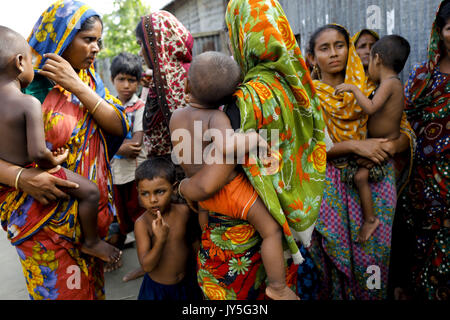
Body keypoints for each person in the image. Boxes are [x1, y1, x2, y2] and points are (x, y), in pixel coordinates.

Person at [178, 0, 327, 300]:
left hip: (238, 237)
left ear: (240, 33)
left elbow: (209, 180)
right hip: (292, 209)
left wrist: (184, 188)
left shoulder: (245, 97)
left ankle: (276, 288)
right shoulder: (297, 84)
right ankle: (279, 287)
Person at [0, 0, 129, 300]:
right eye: (88, 40)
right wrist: (21, 178)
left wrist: (77, 87)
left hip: (87, 220)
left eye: (99, 41)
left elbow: (118, 125)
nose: (96, 48)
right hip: (40, 218)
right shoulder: (24, 88)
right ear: (61, 37)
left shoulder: (91, 82)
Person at [170, 51, 299, 300]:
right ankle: (278, 287)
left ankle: (209, 251)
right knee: (271, 230)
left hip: (203, 198)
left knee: (206, 229)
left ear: (186, 84)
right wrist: (252, 138)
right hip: (229, 192)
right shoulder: (217, 117)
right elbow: (228, 147)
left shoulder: (177, 116)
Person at [306, 24, 415, 299]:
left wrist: (387, 146)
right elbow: (306, 148)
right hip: (329, 184)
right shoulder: (306, 97)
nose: (333, 54)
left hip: (375, 180)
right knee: (333, 258)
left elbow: (406, 133)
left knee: (374, 257)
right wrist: (356, 145)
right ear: (312, 57)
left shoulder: (372, 88)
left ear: (349, 49)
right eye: (324, 48)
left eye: (339, 46)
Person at [390, 0, 449, 300]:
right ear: (440, 31)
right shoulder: (421, 76)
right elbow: (407, 123)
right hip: (422, 189)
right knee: (422, 264)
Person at [334, 35, 411, 242]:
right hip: (380, 142)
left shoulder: (389, 84)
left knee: (360, 177)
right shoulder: (391, 83)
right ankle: (369, 220)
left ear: (376, 59)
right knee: (360, 175)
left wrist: (353, 89)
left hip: (385, 143)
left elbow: (370, 107)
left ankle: (370, 220)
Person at [134, 158, 202, 300]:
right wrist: (160, 240)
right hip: (158, 291)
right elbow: (146, 266)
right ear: (138, 193)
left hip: (187, 284)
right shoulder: (142, 223)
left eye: (160, 191)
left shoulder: (184, 212)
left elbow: (194, 243)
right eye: (145, 193)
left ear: (174, 188)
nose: (152, 199)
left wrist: (200, 274)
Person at [135, 11, 193, 168]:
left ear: (156, 41)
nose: (140, 53)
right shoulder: (159, 78)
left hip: (181, 171)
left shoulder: (180, 79)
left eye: (142, 44)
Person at [106, 52, 147, 276]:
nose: (126, 85)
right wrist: (119, 146)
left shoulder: (137, 106)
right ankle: (115, 255)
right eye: (121, 79)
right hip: (115, 174)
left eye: (132, 80)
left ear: (138, 82)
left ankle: (145, 263)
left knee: (140, 217)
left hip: (134, 173)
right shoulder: (107, 105)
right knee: (119, 217)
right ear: (113, 79)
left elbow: (136, 144)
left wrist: (116, 145)